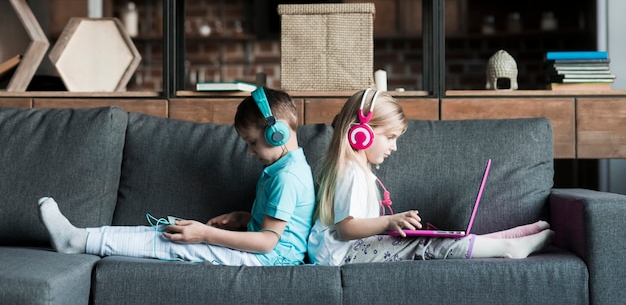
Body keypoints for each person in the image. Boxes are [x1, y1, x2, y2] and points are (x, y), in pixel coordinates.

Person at [38, 87, 315, 266]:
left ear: (275, 133)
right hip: (268, 255)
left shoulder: (287, 177)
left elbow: (268, 241)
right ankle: (78, 238)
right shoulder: (284, 168)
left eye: (252, 142)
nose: (249, 152)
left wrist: (206, 234)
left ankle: (77, 241)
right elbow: (276, 226)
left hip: (269, 261)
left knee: (174, 243)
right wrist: (245, 218)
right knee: (168, 232)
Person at [307, 88, 554, 265]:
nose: (393, 147)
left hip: (342, 251)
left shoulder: (357, 170)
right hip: (338, 255)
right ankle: (509, 248)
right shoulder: (350, 172)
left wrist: (389, 226)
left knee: (433, 238)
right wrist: (388, 223)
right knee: (424, 245)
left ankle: (507, 239)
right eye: (390, 137)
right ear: (362, 135)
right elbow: (346, 228)